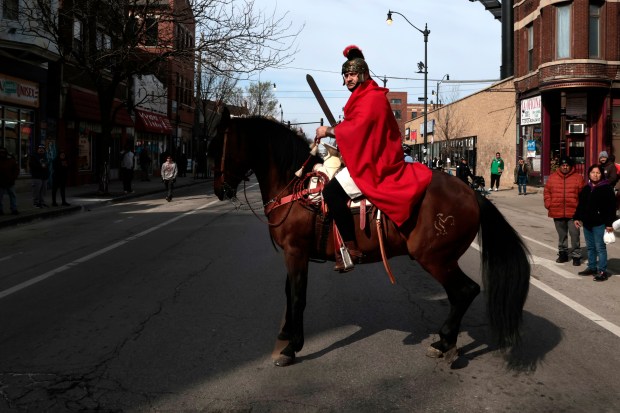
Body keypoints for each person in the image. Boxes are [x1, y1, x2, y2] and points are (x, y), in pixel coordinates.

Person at [315, 45, 432, 272]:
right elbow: (357, 131)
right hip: (369, 156)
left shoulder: (372, 98)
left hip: (376, 162)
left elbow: (356, 129)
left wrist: (328, 131)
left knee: (330, 193)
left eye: (351, 74)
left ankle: (350, 248)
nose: (348, 79)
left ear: (362, 75)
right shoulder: (363, 97)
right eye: (345, 75)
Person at [574, 164, 616, 281]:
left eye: (598, 173)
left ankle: (602, 271)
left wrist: (609, 224)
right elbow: (581, 205)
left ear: (601, 175)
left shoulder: (606, 188)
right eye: (593, 172)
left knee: (600, 248)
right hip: (587, 223)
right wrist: (577, 218)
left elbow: (611, 208)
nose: (595, 175)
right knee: (590, 247)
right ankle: (592, 267)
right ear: (589, 174)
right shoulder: (586, 188)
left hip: (600, 224)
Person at [544, 156, 584, 265]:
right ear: (560, 166)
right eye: (563, 165)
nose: (565, 167)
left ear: (570, 166)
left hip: (574, 213)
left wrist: (581, 210)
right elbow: (547, 192)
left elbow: (583, 195)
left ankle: (576, 256)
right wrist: (549, 204)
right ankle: (563, 254)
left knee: (575, 235)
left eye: (567, 165)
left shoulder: (578, 178)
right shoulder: (552, 178)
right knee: (562, 235)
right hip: (557, 211)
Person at [0, 146, 20, 215]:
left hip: (10, 181)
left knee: (12, 196)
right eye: (0, 152)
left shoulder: (11, 160)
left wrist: (13, 178)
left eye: (3, 152)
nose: (2, 154)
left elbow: (16, 170)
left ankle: (14, 209)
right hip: (1, 182)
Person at [29, 144, 49, 208]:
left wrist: (47, 173)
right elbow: (32, 166)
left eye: (42, 149)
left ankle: (42, 202)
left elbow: (47, 166)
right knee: (36, 191)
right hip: (37, 176)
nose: (41, 150)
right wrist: (41, 166)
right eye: (40, 149)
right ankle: (36, 203)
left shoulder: (45, 156)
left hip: (44, 176)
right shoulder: (33, 156)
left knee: (43, 191)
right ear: (37, 149)